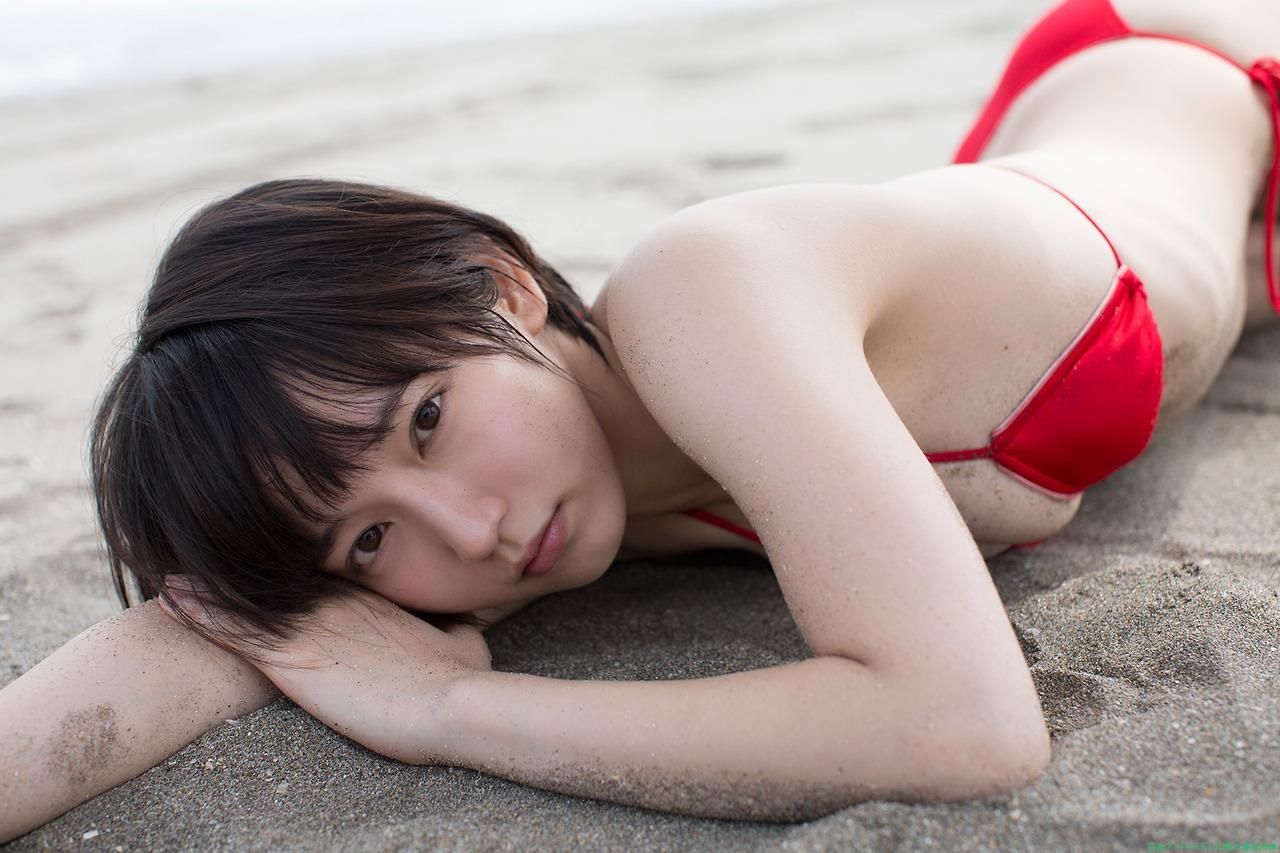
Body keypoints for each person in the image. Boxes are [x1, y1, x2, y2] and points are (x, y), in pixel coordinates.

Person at [2, 0, 1278, 838]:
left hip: (1203, 76)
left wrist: (451, 714)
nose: (469, 530)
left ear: (502, 287)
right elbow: (211, 629)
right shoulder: (502, 521)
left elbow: (960, 728)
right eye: (367, 539)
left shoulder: (702, 294)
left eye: (428, 418)